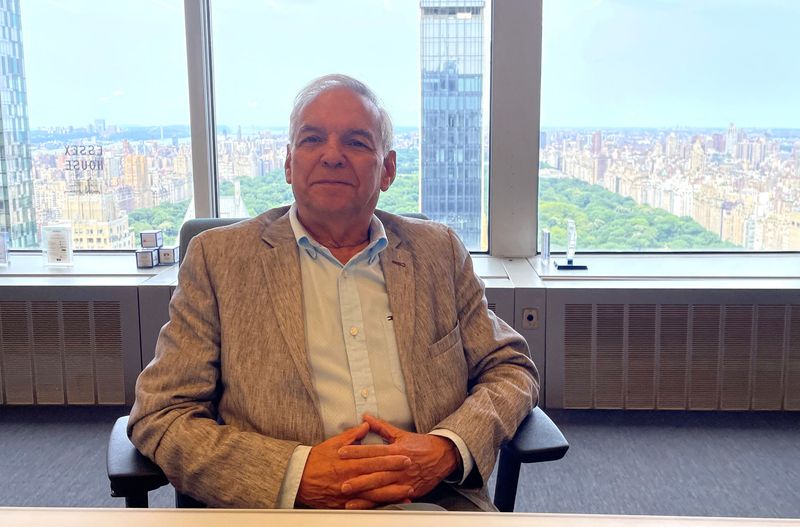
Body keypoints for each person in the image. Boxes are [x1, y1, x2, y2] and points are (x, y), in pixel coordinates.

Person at [128, 74, 538, 511]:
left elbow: (511, 369)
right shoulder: (219, 260)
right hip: (280, 512)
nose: (333, 156)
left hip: (432, 501)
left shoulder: (438, 253)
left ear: (389, 170)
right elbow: (161, 414)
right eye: (312, 139)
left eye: (358, 143)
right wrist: (294, 475)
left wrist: (448, 450)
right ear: (288, 164)